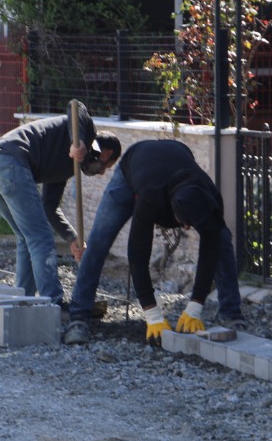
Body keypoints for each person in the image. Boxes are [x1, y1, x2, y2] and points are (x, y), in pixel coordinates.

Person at [62, 138, 246, 346]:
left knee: (220, 238)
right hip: (133, 167)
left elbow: (210, 247)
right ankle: (78, 318)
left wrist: (196, 305)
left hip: (176, 155)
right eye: (185, 224)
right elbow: (137, 254)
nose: (186, 228)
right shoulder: (150, 199)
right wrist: (152, 313)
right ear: (173, 214)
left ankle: (231, 313)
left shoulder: (210, 197)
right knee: (99, 240)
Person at [0, 110, 120, 309]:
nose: (101, 173)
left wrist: (72, 239)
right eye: (105, 166)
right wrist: (78, 141)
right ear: (106, 154)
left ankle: (21, 302)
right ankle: (52, 303)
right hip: (8, 163)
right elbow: (76, 107)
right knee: (41, 237)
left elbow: (50, 207)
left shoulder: (67, 164)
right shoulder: (86, 131)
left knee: (26, 236)